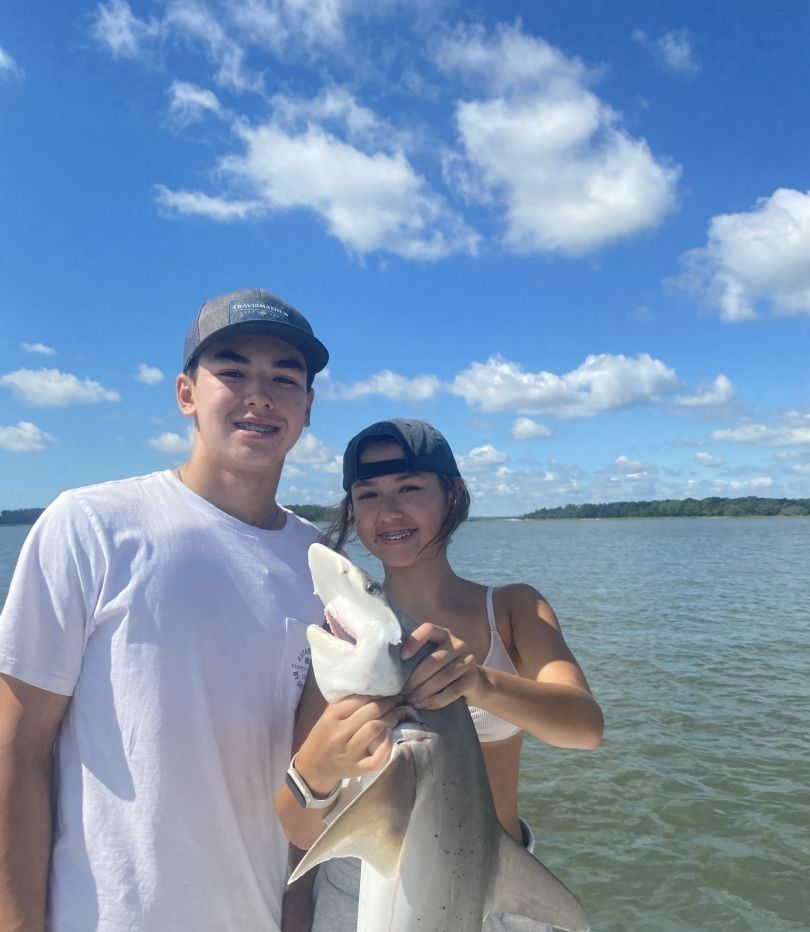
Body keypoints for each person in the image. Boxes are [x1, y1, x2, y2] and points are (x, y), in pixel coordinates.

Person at [0, 288, 331, 932]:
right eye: (232, 372)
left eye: (284, 378)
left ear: (308, 408)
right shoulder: (92, 523)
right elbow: (17, 743)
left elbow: (308, 771)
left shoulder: (321, 564)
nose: (259, 394)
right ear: (186, 394)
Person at [275, 417, 605, 931]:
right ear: (353, 513)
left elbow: (585, 728)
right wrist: (317, 769)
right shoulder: (344, 645)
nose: (389, 512)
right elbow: (300, 828)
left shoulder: (513, 609)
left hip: (493, 886)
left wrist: (477, 682)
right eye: (368, 495)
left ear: (452, 495)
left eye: (409, 488)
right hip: (360, 892)